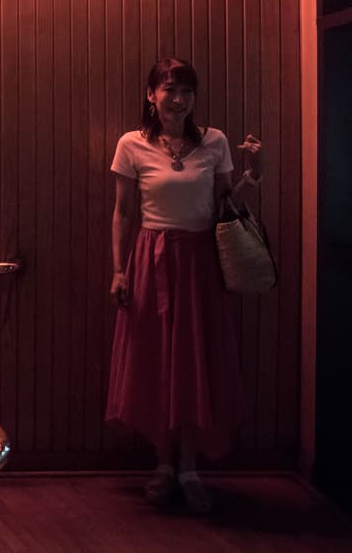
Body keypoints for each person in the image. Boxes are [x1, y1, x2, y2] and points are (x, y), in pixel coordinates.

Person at [106, 57, 262, 514]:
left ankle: (190, 467)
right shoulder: (131, 145)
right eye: (169, 89)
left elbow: (226, 204)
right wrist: (118, 270)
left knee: (196, 361)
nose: (178, 99)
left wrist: (253, 172)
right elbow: (122, 213)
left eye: (186, 91)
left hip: (199, 260)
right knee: (157, 361)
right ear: (150, 95)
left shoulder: (213, 142)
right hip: (151, 258)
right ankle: (163, 465)